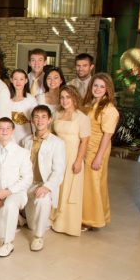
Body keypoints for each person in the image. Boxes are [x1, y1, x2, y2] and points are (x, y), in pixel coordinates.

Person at [0, 118, 33, 257]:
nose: (4, 131)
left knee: (10, 204)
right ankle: (16, 220)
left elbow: (27, 178)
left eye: (7, 128)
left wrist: (8, 192)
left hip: (16, 193)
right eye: (1, 128)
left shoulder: (22, 152)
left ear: (12, 131)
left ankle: (8, 243)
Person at [21, 105, 66, 251]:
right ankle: (23, 219)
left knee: (43, 199)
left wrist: (47, 187)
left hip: (43, 184)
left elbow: (59, 170)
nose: (39, 120)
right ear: (32, 120)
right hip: (27, 183)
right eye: (36, 117)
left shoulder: (57, 143)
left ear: (49, 120)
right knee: (30, 224)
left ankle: (38, 237)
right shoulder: (26, 141)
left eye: (43, 117)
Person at [52, 86, 91, 236]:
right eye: (62, 97)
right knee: (58, 185)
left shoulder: (82, 117)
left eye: (68, 97)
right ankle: (54, 219)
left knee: (69, 187)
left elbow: (85, 141)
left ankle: (67, 223)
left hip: (72, 154)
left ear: (74, 98)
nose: (65, 100)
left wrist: (78, 161)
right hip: (58, 154)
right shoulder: (57, 114)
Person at [82, 73, 119, 230]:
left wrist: (98, 158)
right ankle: (89, 215)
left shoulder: (110, 110)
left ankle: (91, 220)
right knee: (87, 183)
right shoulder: (90, 103)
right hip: (86, 146)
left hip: (98, 148)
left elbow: (107, 136)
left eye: (102, 86)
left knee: (93, 184)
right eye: (95, 85)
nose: (97, 89)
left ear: (108, 89)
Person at [9, 69, 37, 144]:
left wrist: (35, 137)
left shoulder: (31, 100)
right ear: (11, 80)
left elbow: (35, 121)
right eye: (15, 79)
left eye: (21, 79)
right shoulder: (7, 99)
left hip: (26, 138)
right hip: (10, 138)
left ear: (26, 80)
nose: (18, 82)